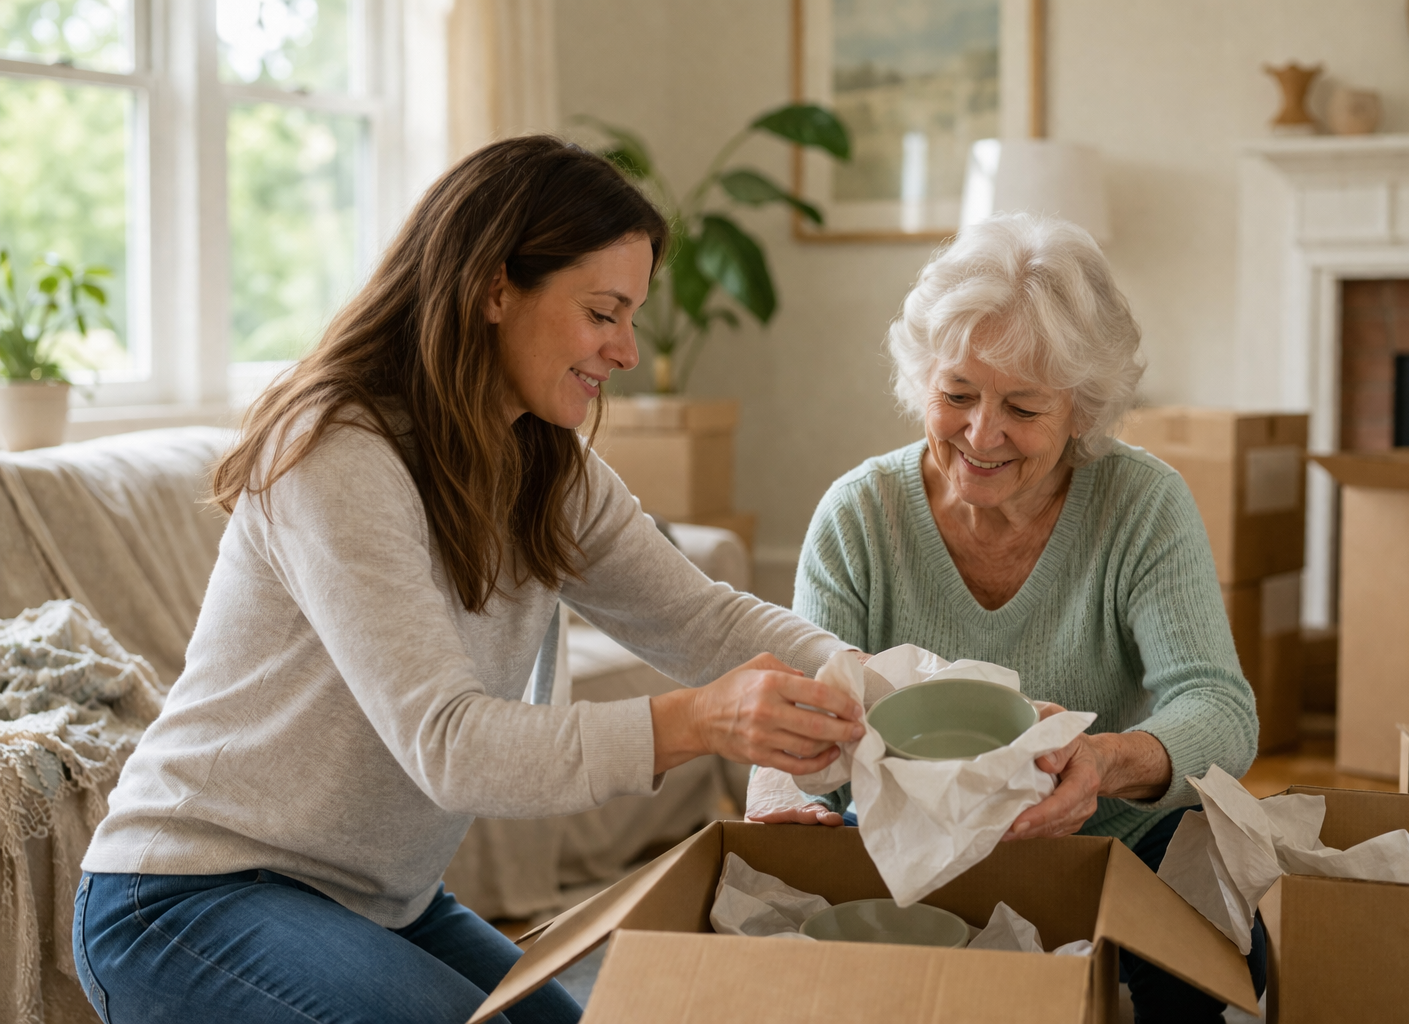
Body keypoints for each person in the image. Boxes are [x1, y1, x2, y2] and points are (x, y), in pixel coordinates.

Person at [72, 136, 865, 1024]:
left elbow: (705, 619)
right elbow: (446, 743)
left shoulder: (546, 466)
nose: (628, 350)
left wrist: (898, 689)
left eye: (631, 317)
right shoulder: (335, 449)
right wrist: (697, 721)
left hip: (383, 900)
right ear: (494, 287)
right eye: (604, 312)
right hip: (185, 899)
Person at [746, 213, 1264, 1022]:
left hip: (1108, 841)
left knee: (1220, 935)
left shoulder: (1142, 504)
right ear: (923, 381)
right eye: (955, 395)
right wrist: (784, 799)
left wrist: (1100, 761)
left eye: (1022, 407)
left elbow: (1222, 711)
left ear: (1083, 412)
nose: (981, 435)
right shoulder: (859, 514)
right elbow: (796, 706)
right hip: (906, 844)